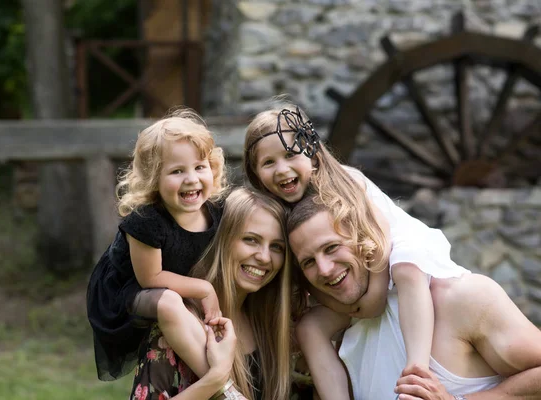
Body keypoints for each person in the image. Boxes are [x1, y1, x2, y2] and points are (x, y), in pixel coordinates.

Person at [243, 105, 468, 399]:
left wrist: (373, 298)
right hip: (351, 290)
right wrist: (350, 307)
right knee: (310, 328)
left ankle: (417, 370)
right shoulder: (279, 215)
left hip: (389, 260)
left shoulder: (347, 182)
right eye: (269, 162)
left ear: (311, 153)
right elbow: (308, 277)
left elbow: (382, 242)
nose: (282, 169)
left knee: (406, 267)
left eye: (290, 155)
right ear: (257, 174)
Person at [287, 194, 541, 399]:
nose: (324, 269)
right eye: (309, 261)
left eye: (331, 248)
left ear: (362, 237)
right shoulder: (334, 339)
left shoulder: (461, 299)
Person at [87, 108, 227, 383]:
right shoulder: (147, 220)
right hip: (129, 291)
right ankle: (220, 382)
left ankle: (222, 365)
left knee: (189, 311)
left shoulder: (217, 211)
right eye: (177, 171)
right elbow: (150, 278)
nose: (191, 178)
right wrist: (204, 288)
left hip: (173, 284)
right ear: (154, 180)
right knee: (171, 303)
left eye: (200, 167)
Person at [129, 187, 293, 399]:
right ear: (222, 240)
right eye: (251, 239)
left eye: (277, 247)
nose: (264, 257)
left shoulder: (271, 325)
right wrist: (215, 380)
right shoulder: (179, 325)